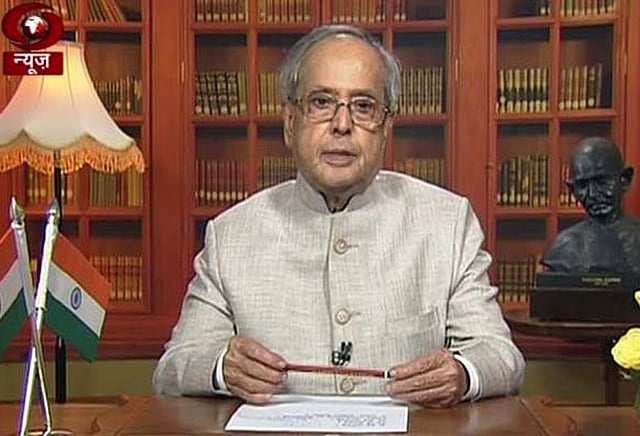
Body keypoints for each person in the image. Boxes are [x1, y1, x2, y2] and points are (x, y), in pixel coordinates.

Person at [153, 24, 524, 408]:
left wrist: (461, 374)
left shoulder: (447, 223)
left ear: (386, 128)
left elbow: (500, 355)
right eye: (321, 102)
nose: (342, 125)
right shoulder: (231, 234)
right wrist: (222, 367)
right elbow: (174, 367)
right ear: (290, 122)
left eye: (363, 106)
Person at [542, 137, 640, 274]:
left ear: (624, 180)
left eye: (602, 182)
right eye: (582, 186)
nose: (593, 194)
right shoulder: (564, 247)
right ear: (573, 190)